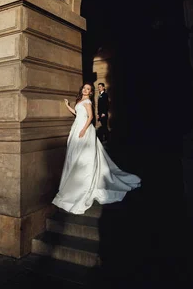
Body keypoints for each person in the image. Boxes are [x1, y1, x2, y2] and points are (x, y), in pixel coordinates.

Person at [52, 83, 141, 215]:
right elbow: (77, 113)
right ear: (82, 89)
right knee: (75, 156)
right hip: (77, 127)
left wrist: (83, 130)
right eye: (84, 88)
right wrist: (67, 106)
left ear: (91, 92)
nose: (86, 90)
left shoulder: (87, 101)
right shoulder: (80, 100)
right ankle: (73, 181)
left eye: (88, 89)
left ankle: (85, 183)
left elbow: (91, 117)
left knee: (84, 156)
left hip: (84, 130)